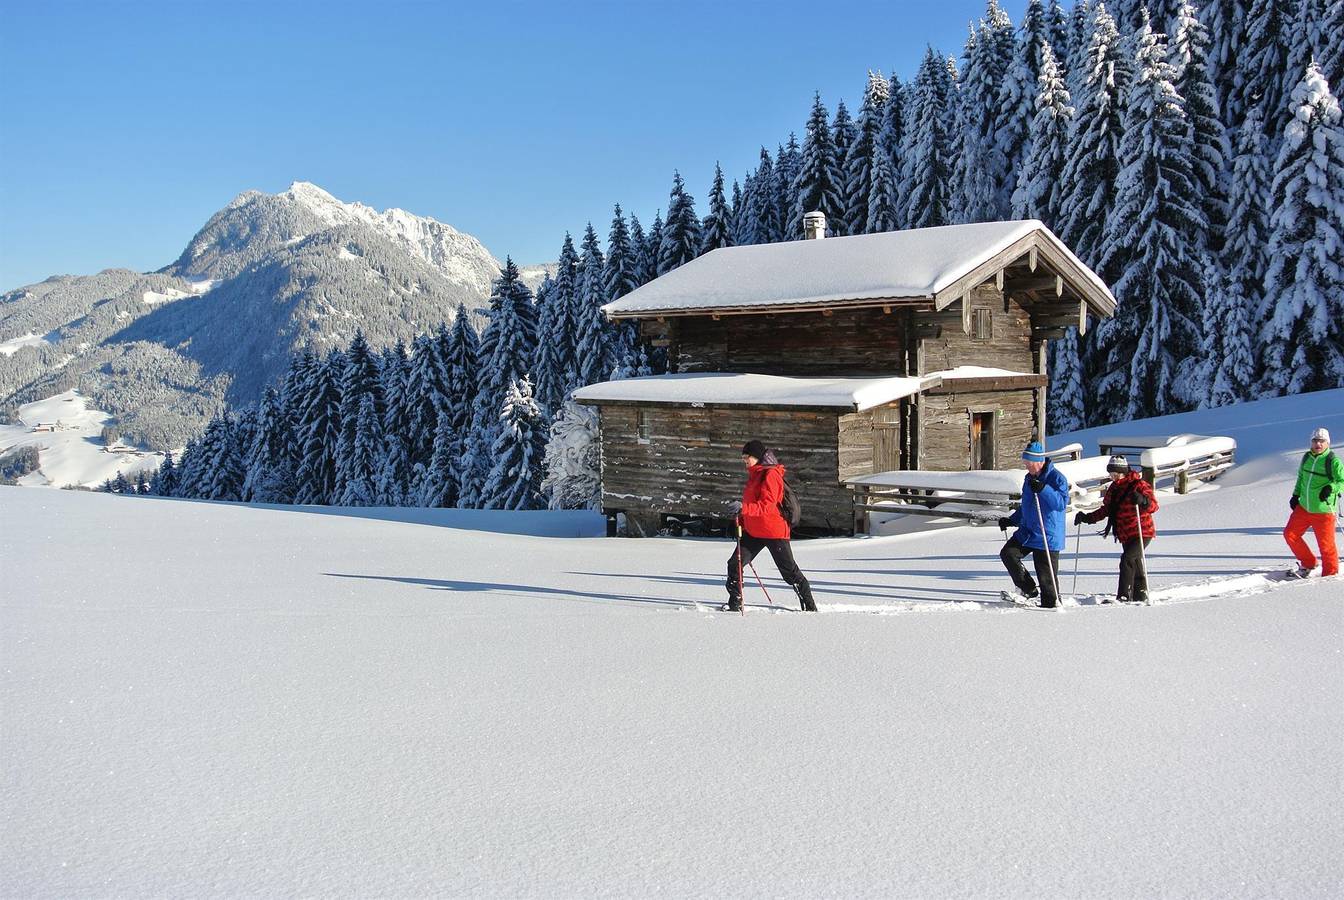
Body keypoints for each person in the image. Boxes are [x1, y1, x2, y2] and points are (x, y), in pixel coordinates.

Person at [724, 440, 817, 612]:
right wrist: (740, 520)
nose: (745, 460)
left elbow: (767, 506)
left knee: (790, 572)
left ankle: (810, 607)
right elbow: (751, 503)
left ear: (758, 457)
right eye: (743, 457)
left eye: (747, 457)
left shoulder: (771, 475)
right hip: (754, 531)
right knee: (734, 564)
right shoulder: (755, 475)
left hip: (774, 531)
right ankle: (735, 604)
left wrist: (744, 508)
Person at [1074, 455, 1159, 603]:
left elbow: (1154, 506)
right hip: (1125, 534)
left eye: (1116, 474)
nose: (1113, 477)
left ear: (1124, 472)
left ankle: (1123, 596)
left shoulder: (1139, 485)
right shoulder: (1113, 488)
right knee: (1135, 562)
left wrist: (1143, 500)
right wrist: (1087, 518)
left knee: (1127, 559)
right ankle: (1140, 594)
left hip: (1142, 531)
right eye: (1111, 474)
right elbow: (1106, 510)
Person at [997, 441, 1070, 608]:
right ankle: (1028, 589)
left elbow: (1060, 503)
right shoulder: (1029, 478)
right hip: (1028, 531)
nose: (1027, 467)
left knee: (1046, 576)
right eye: (1025, 463)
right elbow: (1027, 505)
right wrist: (1012, 520)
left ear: (1039, 461)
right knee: (1008, 554)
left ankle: (1051, 605)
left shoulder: (1056, 478)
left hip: (1047, 534)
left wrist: (1044, 489)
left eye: (1029, 463)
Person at [1284, 427, 1344, 578]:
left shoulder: (1333, 461)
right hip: (1304, 507)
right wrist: (1295, 495)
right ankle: (1309, 563)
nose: (1318, 444)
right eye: (1315, 440)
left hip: (1323, 510)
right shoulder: (1306, 458)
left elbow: (1341, 481)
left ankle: (1329, 576)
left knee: (1326, 546)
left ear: (1327, 443)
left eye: (1321, 441)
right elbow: (1301, 477)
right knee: (1290, 534)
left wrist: (1331, 487)